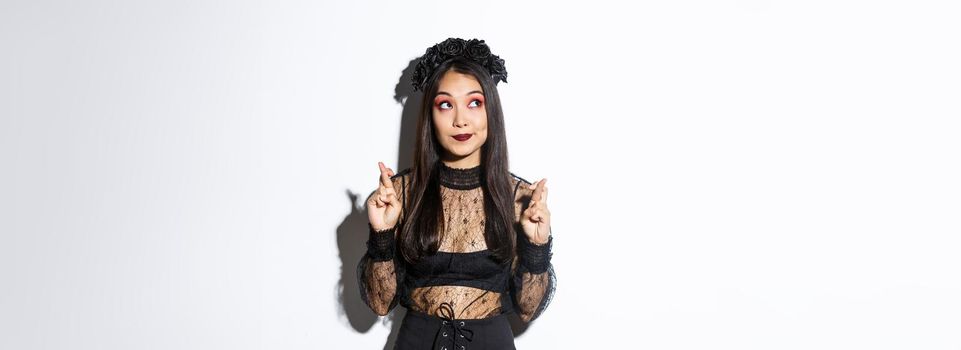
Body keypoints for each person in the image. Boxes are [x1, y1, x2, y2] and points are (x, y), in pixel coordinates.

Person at [358, 38, 556, 350]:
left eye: (474, 103)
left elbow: (529, 308)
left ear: (491, 110)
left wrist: (536, 244)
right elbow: (380, 305)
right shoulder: (400, 194)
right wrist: (381, 234)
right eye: (446, 104)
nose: (460, 119)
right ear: (430, 115)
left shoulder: (520, 197)